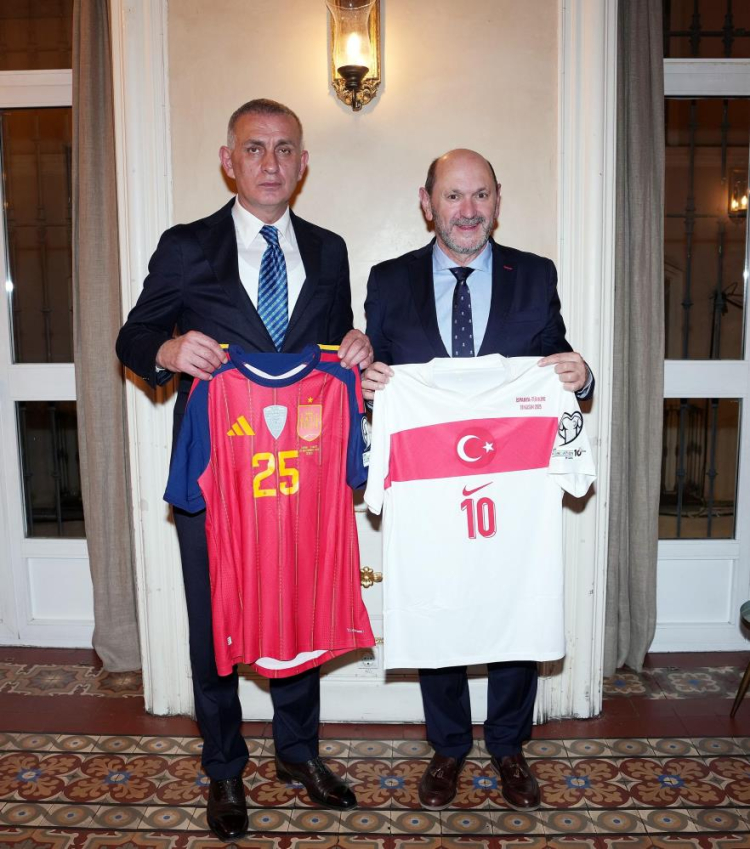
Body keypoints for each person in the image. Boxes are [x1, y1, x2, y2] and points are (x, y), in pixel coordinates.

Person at [116, 99, 372, 841]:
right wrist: (168, 351)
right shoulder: (185, 246)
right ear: (229, 161)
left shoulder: (328, 250)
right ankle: (224, 767)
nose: (270, 162)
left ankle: (298, 753)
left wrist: (357, 344)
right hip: (214, 475)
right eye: (254, 148)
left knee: (297, 607)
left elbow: (334, 347)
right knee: (214, 620)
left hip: (300, 474)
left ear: (303, 163)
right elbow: (133, 335)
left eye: (285, 148)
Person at [361, 148, 593, 812]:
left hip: (512, 484)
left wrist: (581, 377)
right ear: (427, 202)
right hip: (431, 483)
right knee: (438, 601)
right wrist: (368, 387)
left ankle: (510, 746)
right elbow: (376, 374)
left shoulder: (534, 274)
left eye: (481, 195)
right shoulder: (388, 280)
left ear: (497, 200)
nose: (468, 210)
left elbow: (558, 363)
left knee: (515, 598)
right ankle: (448, 746)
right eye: (453, 195)